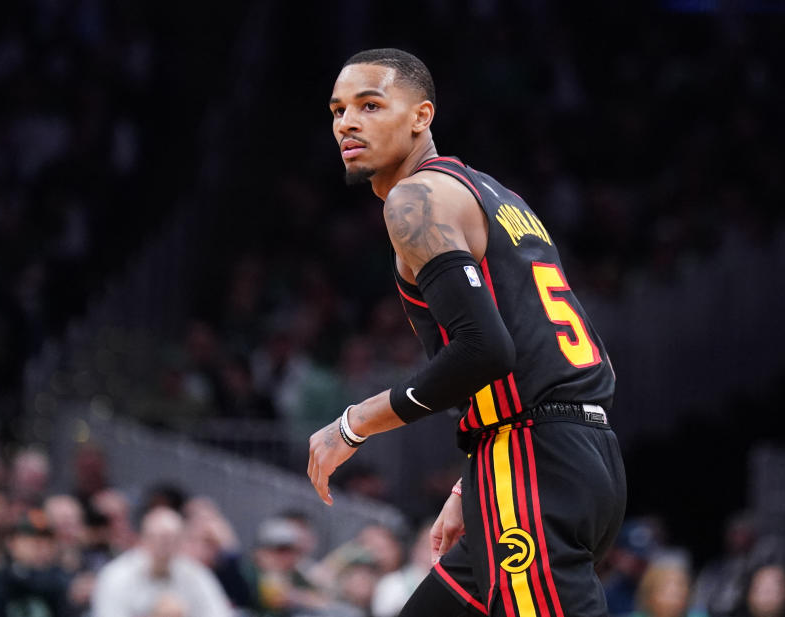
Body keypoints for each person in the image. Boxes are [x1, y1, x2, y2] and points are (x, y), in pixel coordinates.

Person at [307, 48, 627, 617]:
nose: (347, 123)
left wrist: (352, 426)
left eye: (370, 105)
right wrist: (470, 483)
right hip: (569, 455)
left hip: (531, 465)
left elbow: (486, 352)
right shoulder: (496, 195)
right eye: (337, 110)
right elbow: (541, 348)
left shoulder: (415, 198)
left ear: (421, 116)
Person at [91, 506, 232, 617]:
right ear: (143, 539)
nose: (164, 547)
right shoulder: (115, 576)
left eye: (172, 540)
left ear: (181, 542)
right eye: (158, 539)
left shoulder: (195, 574)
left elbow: (218, 613)